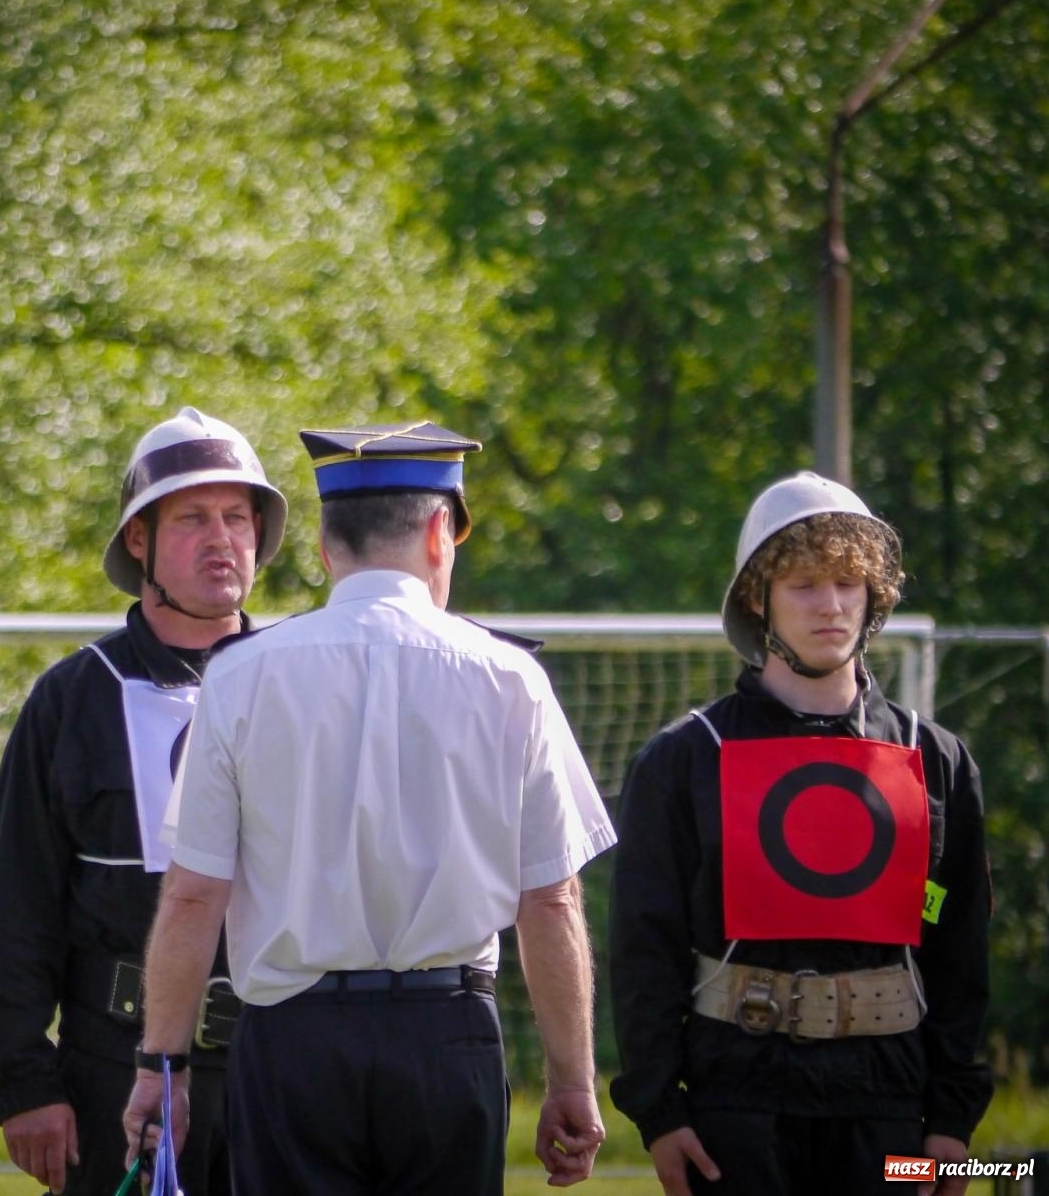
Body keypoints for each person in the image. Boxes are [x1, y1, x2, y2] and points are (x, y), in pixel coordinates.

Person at [122, 421, 617, 1195]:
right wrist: (571, 1080)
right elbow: (550, 901)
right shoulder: (509, 677)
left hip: (292, 1043)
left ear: (326, 548)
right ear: (438, 534)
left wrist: (164, 1066)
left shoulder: (241, 676)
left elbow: (193, 897)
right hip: (446, 1036)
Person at [609, 471, 993, 1195]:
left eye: (849, 583)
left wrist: (952, 1119)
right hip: (734, 1104)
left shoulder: (935, 757)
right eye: (805, 585)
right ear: (758, 597)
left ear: (874, 593)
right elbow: (643, 947)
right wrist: (660, 1111)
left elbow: (960, 948)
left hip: (892, 1105)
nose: (831, 606)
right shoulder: (684, 759)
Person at [0, 407, 287, 1196]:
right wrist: (24, 1081)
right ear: (138, 540)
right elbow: (18, 905)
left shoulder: (303, 684)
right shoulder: (71, 700)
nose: (221, 539)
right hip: (112, 1069)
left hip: (278, 1070)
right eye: (192, 518)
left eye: (237, 517)